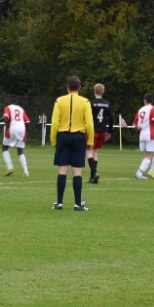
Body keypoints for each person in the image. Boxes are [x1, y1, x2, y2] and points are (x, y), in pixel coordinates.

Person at [50, 76, 94, 211]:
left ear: (67, 87)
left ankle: (59, 203)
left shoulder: (59, 101)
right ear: (79, 88)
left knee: (62, 169)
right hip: (78, 137)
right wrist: (90, 141)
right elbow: (89, 124)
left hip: (63, 136)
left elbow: (55, 123)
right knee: (77, 170)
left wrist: (54, 140)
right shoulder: (85, 102)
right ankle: (78, 203)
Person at [0, 97, 29, 177]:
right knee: (20, 150)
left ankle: (10, 168)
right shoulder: (21, 109)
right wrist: (23, 130)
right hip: (22, 129)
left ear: (9, 102)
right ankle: (26, 172)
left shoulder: (8, 108)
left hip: (13, 128)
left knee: (4, 147)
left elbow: (5, 117)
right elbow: (28, 122)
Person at [87, 84, 112, 184]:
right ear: (103, 91)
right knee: (95, 152)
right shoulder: (107, 104)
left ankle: (95, 173)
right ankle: (92, 177)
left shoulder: (91, 103)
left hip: (93, 130)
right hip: (102, 131)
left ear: (94, 91)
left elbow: (87, 117)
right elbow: (111, 120)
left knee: (89, 152)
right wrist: (109, 132)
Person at [134, 93, 154, 180]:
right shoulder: (153, 108)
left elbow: (136, 125)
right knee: (150, 155)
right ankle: (139, 173)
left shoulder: (141, 110)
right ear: (152, 100)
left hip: (142, 134)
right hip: (150, 134)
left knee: (148, 155)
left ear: (145, 100)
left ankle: (139, 172)